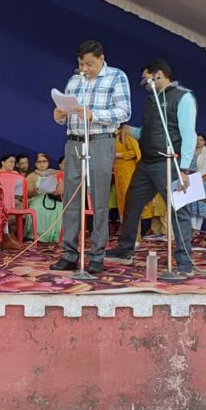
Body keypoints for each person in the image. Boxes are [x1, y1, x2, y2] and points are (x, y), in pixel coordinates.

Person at [105, 59, 196, 278]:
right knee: (132, 204)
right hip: (146, 163)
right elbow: (151, 132)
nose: (145, 84)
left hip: (169, 163)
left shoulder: (183, 97)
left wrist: (184, 168)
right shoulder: (151, 99)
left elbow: (188, 134)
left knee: (178, 212)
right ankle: (125, 249)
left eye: (147, 79)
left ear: (159, 75)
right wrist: (132, 131)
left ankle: (185, 262)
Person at [50, 40, 131, 277]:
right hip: (74, 141)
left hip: (101, 140)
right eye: (81, 64)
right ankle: (69, 253)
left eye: (90, 64)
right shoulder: (75, 80)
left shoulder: (116, 76)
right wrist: (59, 115)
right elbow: (66, 113)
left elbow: (124, 111)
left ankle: (97, 255)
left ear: (101, 59)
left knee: (99, 198)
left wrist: (93, 114)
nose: (85, 69)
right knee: (71, 198)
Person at [24, 152, 62, 243]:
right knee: (36, 207)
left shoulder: (55, 174)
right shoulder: (31, 176)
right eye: (39, 162)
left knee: (60, 207)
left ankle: (55, 236)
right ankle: (36, 236)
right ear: (35, 164)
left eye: (44, 161)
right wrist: (35, 191)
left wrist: (56, 191)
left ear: (48, 163)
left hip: (52, 198)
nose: (42, 164)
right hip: (37, 198)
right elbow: (26, 194)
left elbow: (61, 190)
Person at [113, 124, 142, 219]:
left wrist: (118, 155)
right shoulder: (115, 137)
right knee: (121, 197)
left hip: (128, 171)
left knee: (128, 197)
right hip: (119, 172)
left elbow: (135, 152)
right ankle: (123, 220)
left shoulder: (127, 137)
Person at [188, 134, 206, 232]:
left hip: (200, 181)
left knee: (201, 205)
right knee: (191, 205)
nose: (198, 142)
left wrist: (196, 178)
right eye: (197, 140)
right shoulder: (190, 151)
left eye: (201, 140)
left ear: (205, 142)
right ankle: (193, 228)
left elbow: (205, 169)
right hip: (189, 181)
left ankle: (198, 229)